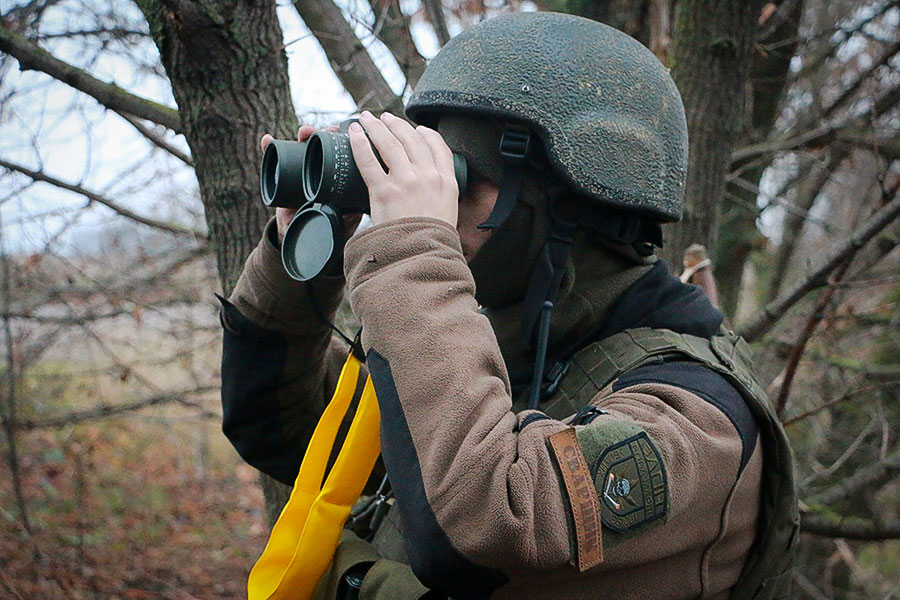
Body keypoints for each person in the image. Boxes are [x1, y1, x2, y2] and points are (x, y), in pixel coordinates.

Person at [219, 12, 798, 600]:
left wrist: (412, 249)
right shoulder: (498, 341)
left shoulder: (698, 421)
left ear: (565, 204)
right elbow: (276, 424)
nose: (440, 202)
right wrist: (299, 267)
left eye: (458, 180)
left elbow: (484, 525)